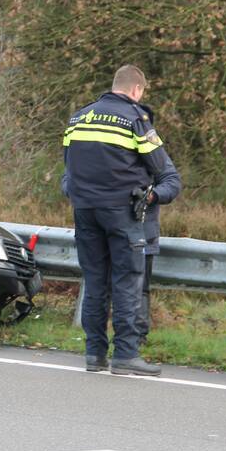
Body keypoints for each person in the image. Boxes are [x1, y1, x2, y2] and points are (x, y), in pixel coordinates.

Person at [63, 65, 171, 376]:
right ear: (137, 90)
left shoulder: (78, 118)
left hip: (84, 211)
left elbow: (68, 168)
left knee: (95, 281)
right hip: (122, 212)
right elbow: (160, 165)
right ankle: (126, 354)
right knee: (127, 281)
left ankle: (94, 354)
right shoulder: (135, 119)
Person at [135, 149, 181, 346]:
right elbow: (70, 177)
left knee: (140, 288)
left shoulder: (149, 146)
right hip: (105, 231)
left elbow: (172, 181)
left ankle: (137, 338)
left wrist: (152, 195)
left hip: (142, 232)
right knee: (103, 287)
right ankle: (97, 338)